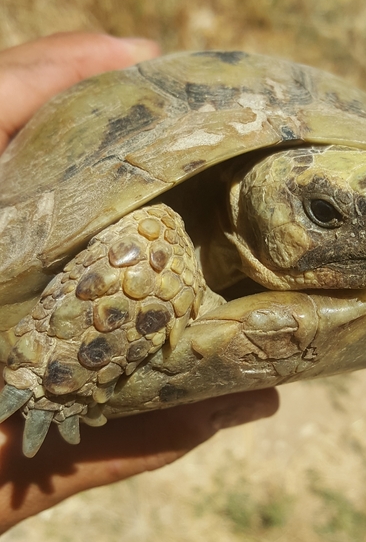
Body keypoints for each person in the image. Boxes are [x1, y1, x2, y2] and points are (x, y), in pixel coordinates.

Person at [0, 32, 279, 534]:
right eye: (322, 214)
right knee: (151, 246)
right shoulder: (158, 248)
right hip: (114, 261)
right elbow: (149, 246)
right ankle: (50, 370)